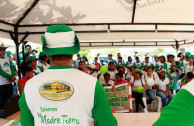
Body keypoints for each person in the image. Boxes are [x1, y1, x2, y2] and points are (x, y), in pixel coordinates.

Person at [19, 25, 117, 126]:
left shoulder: (29, 86)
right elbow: (108, 123)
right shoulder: (92, 85)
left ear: (47, 52)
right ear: (74, 51)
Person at [0, 43, 16, 110]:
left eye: (4, 49)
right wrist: (10, 77)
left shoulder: (7, 58)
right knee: (2, 100)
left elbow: (12, 68)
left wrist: (12, 76)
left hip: (9, 82)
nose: (3, 51)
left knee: (9, 99)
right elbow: (1, 71)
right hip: (2, 83)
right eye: (1, 49)